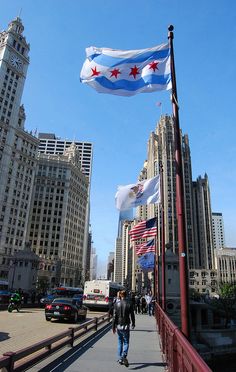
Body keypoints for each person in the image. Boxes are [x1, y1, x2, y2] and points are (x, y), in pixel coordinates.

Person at [112, 290, 135, 367]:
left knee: (120, 341)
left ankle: (120, 358)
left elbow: (114, 316)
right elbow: (132, 315)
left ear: (120, 296)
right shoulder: (129, 303)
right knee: (126, 341)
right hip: (126, 325)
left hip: (118, 325)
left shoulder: (116, 304)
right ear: (126, 295)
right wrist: (133, 323)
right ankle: (123, 355)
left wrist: (113, 327)